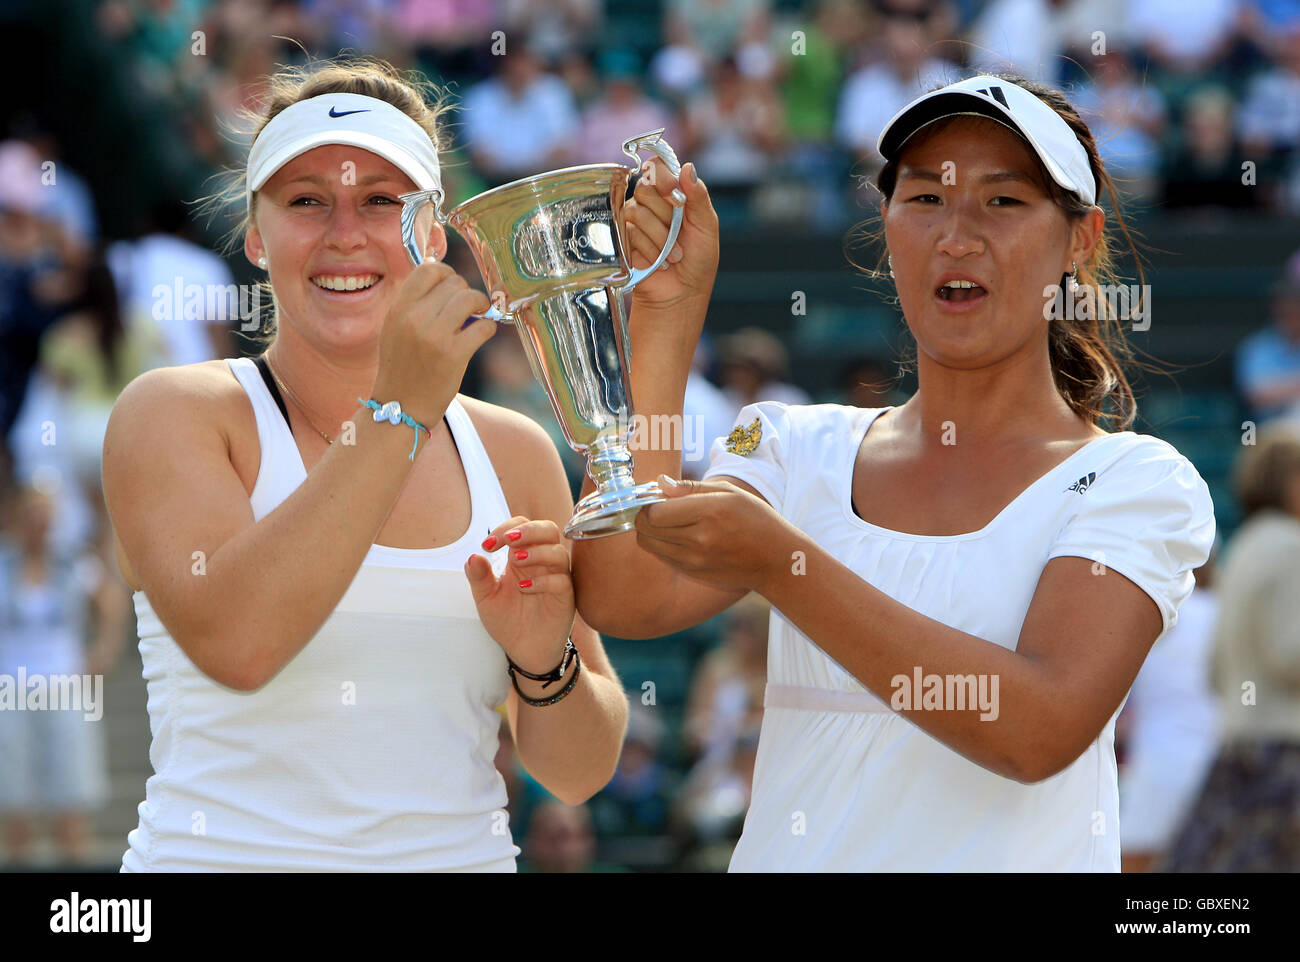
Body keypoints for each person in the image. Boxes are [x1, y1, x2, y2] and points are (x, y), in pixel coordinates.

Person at [571, 72, 1216, 871]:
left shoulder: (1138, 483)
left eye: (1003, 202)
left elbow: (1038, 728)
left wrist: (785, 564)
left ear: (1079, 239)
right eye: (925, 200)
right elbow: (626, 596)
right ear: (887, 225)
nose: (957, 235)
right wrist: (666, 316)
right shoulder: (790, 443)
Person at [101, 58, 628, 872]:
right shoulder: (175, 412)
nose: (344, 233)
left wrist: (543, 659)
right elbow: (241, 646)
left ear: (432, 231)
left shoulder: (514, 450)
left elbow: (579, 769)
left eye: (382, 201)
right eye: (306, 201)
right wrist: (399, 411)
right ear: (255, 231)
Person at [1163, 427, 1300, 871]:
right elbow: (1290, 654)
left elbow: (1217, 673)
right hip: (1286, 754)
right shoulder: (1289, 546)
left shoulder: (1244, 547)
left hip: (1240, 748)